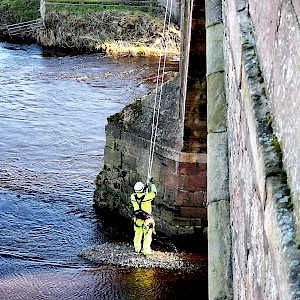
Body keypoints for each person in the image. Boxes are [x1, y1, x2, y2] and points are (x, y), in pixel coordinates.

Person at [130, 177, 157, 255]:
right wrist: (152, 184)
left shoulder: (133, 197)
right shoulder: (148, 197)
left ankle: (137, 249)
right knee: (147, 235)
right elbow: (154, 192)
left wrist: (144, 188)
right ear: (142, 189)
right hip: (147, 220)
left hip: (138, 219)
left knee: (137, 234)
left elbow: (139, 195)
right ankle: (146, 251)